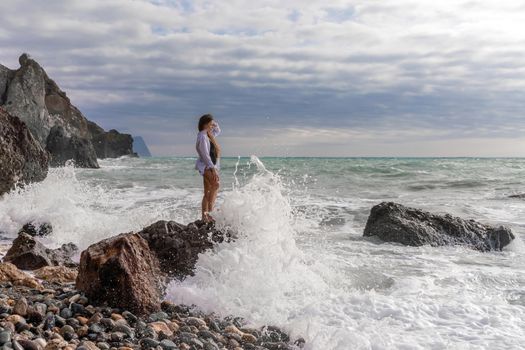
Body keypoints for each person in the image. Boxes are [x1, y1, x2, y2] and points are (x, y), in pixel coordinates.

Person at [195, 114, 221, 222]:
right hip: (206, 166)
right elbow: (205, 155)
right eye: (210, 124)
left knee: (207, 191)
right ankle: (210, 213)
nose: (212, 126)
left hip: (208, 166)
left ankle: (204, 216)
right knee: (216, 184)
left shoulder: (208, 135)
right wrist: (212, 168)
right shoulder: (202, 136)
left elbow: (218, 130)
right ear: (205, 124)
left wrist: (214, 123)